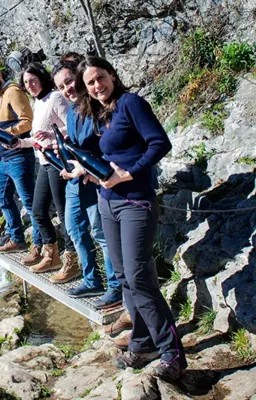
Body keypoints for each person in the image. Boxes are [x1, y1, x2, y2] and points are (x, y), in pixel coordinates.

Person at [73, 56, 185, 380]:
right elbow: (109, 154)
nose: (97, 86)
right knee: (124, 276)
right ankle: (142, 343)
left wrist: (128, 173)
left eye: (100, 78)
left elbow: (160, 143)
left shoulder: (130, 103)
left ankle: (172, 352)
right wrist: (90, 169)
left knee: (138, 276)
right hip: (108, 203)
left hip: (136, 201)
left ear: (112, 74)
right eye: (90, 83)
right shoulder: (101, 113)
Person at [51, 60, 122, 308]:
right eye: (61, 86)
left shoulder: (96, 107)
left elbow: (107, 145)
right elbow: (75, 144)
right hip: (75, 180)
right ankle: (91, 279)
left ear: (79, 79)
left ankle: (116, 287)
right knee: (74, 230)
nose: (67, 89)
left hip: (96, 179)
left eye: (69, 82)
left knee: (101, 234)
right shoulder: (71, 111)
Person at [7, 62, 78, 272]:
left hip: (58, 162)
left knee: (64, 214)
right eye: (26, 82)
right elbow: (37, 137)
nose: (29, 85)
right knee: (38, 210)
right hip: (45, 163)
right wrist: (20, 143)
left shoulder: (56, 97)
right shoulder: (38, 102)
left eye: (33, 80)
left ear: (42, 78)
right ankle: (51, 255)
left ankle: (72, 260)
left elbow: (72, 126)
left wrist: (53, 135)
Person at [0, 64, 41, 255]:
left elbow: (27, 121)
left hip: (19, 157)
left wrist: (7, 133)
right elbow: (1, 132)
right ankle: (17, 239)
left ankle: (40, 246)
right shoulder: (0, 96)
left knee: (29, 203)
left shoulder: (13, 91)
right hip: (5, 160)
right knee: (3, 197)